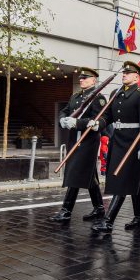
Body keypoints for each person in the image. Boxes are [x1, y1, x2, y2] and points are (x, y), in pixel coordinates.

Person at [91, 61, 140, 234]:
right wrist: (98, 123)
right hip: (117, 141)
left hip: (132, 143)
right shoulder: (115, 93)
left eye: (128, 73)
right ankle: (139, 216)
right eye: (123, 73)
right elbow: (108, 117)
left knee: (122, 180)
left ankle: (108, 221)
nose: (124, 75)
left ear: (136, 77)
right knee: (135, 181)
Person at [50, 67, 107, 222]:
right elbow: (66, 110)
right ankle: (99, 208)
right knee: (89, 175)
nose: (81, 79)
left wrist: (77, 122)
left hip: (87, 141)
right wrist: (62, 119)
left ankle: (66, 210)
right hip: (73, 139)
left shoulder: (98, 98)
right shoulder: (75, 96)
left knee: (74, 172)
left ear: (94, 80)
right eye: (81, 77)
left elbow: (99, 120)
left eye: (85, 78)